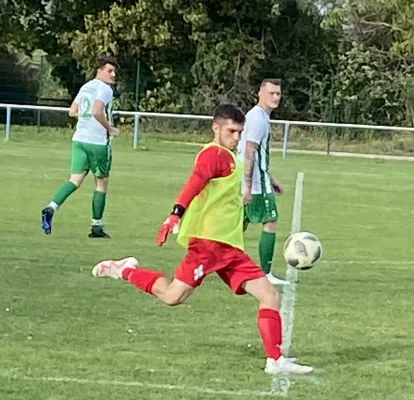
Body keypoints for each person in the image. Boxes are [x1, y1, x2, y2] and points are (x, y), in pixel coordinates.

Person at [91, 103, 313, 375]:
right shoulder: (214, 155)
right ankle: (126, 270)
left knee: (270, 296)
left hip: (229, 248)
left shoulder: (231, 157)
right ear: (215, 128)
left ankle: (275, 360)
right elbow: (195, 182)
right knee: (173, 296)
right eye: (231, 131)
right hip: (207, 245)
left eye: (240, 132)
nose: (236, 137)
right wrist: (175, 215)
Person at [41, 54, 120, 238]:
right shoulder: (105, 89)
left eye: (114, 71)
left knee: (74, 180)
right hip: (97, 143)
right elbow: (97, 110)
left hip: (79, 140)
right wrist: (110, 128)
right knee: (101, 184)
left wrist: (87, 119)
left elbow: (73, 111)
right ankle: (96, 227)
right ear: (99, 70)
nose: (113, 74)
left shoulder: (86, 87)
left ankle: (51, 207)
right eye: (109, 70)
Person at [237, 78, 288, 285]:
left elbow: (255, 154)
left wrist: (271, 178)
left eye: (278, 93)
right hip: (256, 183)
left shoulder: (257, 116)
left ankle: (213, 260)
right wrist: (249, 186)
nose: (275, 97)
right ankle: (265, 274)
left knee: (239, 223)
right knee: (271, 221)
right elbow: (250, 151)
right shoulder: (258, 118)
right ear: (260, 93)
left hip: (258, 179)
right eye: (271, 93)